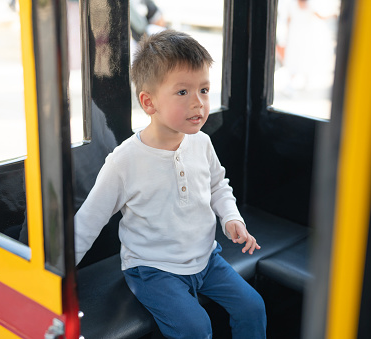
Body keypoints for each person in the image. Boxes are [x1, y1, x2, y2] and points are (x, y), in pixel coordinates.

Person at [74, 29, 267, 339]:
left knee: (253, 307)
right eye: (183, 92)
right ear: (149, 103)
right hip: (153, 270)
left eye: (203, 90)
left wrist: (232, 218)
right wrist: (53, 277)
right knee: (196, 328)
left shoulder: (201, 143)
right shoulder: (125, 160)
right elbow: (88, 221)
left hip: (206, 259)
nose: (198, 103)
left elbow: (218, 185)